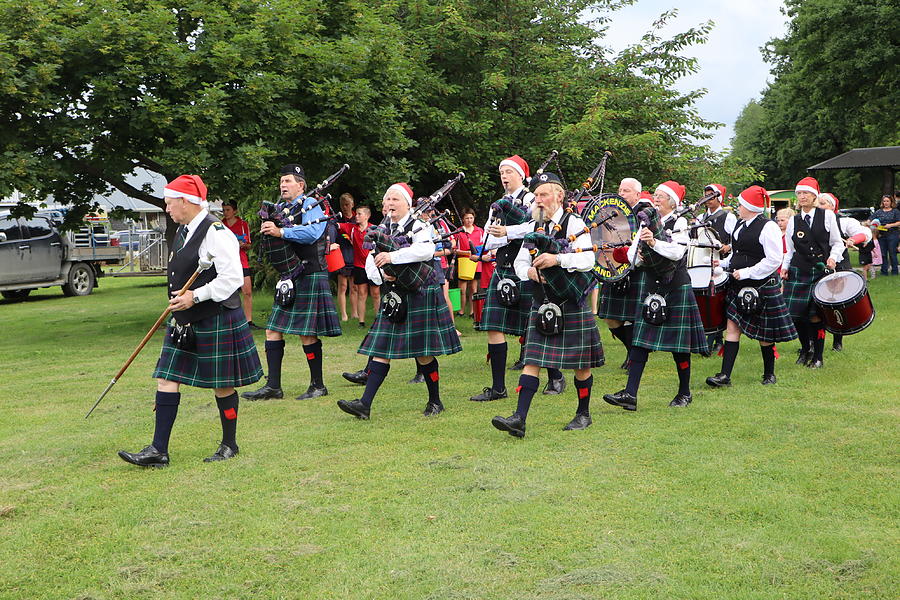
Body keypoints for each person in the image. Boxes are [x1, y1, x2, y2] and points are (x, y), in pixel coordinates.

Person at [118, 175, 262, 467]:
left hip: (215, 316)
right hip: (185, 320)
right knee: (166, 377)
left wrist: (195, 296)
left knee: (222, 384)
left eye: (170, 204)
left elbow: (232, 279)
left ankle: (229, 444)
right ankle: (158, 449)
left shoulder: (216, 232)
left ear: (185, 201)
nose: (167, 209)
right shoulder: (184, 231)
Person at [491, 173, 604, 437]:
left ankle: (583, 413)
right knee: (532, 360)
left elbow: (589, 260)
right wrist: (528, 273)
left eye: (544, 194)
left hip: (571, 301)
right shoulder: (535, 225)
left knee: (581, 364)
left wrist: (557, 260)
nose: (539, 200)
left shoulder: (575, 223)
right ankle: (519, 418)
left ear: (559, 196)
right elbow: (520, 261)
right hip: (542, 301)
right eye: (537, 195)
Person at [336, 183, 462, 420]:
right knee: (381, 349)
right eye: (387, 200)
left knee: (424, 354)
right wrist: (382, 275)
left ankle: (435, 401)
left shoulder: (419, 225)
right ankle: (364, 404)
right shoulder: (381, 229)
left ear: (407, 204)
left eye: (395, 199)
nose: (390, 204)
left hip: (420, 293)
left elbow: (425, 251)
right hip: (394, 293)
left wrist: (393, 256)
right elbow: (371, 260)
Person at [469, 155, 566, 402]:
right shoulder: (498, 204)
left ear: (521, 175)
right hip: (502, 267)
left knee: (537, 326)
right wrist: (492, 243)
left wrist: (508, 232)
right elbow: (490, 238)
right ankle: (498, 388)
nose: (504, 175)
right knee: (493, 326)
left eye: (509, 172)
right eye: (501, 171)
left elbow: (539, 225)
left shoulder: (533, 197)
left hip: (527, 266)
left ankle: (555, 376)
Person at [604, 183, 708, 411]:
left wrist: (653, 242)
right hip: (652, 283)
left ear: (672, 201)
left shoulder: (679, 222)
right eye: (655, 196)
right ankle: (630, 395)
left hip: (676, 286)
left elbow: (678, 251)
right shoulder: (646, 222)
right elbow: (634, 255)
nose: (656, 199)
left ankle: (684, 392)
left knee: (679, 346)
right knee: (640, 341)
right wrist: (635, 255)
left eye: (661, 196)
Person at [242, 163, 342, 401]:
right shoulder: (281, 209)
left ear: (301, 185)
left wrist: (281, 232)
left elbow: (313, 233)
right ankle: (273, 387)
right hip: (290, 276)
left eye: (287, 181)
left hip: (311, 273)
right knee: (272, 329)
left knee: (306, 333)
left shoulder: (310, 205)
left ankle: (317, 385)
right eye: (281, 181)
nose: (283, 185)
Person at [705, 186, 796, 388]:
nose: (737, 207)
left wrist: (747, 272)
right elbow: (738, 254)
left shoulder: (768, 227)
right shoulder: (740, 224)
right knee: (732, 327)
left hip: (761, 284)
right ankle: (724, 376)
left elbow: (773, 260)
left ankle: (769, 374)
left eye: (740, 204)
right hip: (738, 284)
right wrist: (724, 264)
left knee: (764, 334)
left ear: (750, 207)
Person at [781, 177, 845, 369]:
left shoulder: (827, 216)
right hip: (799, 271)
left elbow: (837, 242)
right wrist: (785, 267)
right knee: (796, 316)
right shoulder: (794, 220)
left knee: (816, 315)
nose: (802, 196)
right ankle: (805, 348)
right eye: (799, 193)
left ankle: (818, 357)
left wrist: (833, 258)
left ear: (814, 196)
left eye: (806, 193)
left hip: (820, 272)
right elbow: (790, 250)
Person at [596, 177, 654, 368]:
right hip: (613, 269)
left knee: (633, 317)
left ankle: (634, 359)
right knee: (610, 317)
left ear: (638, 194)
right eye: (620, 190)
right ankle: (632, 352)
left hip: (636, 271)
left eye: (626, 191)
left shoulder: (645, 212)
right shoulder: (613, 212)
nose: (621, 194)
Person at [816, 192, 872, 351]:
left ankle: (837, 341)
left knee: (837, 305)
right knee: (815, 307)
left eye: (823, 204)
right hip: (817, 266)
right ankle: (814, 342)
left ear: (832, 207)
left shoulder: (843, 222)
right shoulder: (811, 222)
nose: (819, 207)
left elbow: (865, 233)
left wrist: (855, 239)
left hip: (839, 266)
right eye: (818, 204)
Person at [697, 184, 735, 353]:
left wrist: (728, 247)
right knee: (708, 298)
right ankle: (711, 335)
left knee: (719, 299)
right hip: (705, 262)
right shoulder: (700, 216)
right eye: (706, 195)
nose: (708, 198)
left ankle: (718, 337)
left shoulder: (728, 217)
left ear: (719, 197)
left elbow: (736, 239)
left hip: (722, 262)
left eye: (711, 195)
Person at [340, 205, 380, 327]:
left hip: (373, 266)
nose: (356, 216)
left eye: (359, 214)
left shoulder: (374, 229)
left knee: (376, 293)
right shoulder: (352, 228)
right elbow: (337, 225)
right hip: (359, 266)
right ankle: (361, 322)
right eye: (356, 214)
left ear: (367, 216)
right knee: (361, 293)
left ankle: (378, 320)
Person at [221, 199, 258, 328]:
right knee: (226, 292)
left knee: (247, 291)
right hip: (226, 262)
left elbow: (248, 244)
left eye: (228, 210)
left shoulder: (243, 224)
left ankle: (249, 321)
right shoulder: (220, 225)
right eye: (224, 210)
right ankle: (229, 321)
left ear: (235, 211)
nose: (225, 213)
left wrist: (242, 245)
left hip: (241, 261)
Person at [456, 207, 483, 318]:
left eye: (471, 218)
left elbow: (483, 247)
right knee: (462, 289)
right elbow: (455, 249)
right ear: (463, 219)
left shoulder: (480, 231)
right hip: (464, 262)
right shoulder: (459, 231)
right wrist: (466, 253)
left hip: (476, 263)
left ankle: (472, 311)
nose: (469, 220)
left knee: (473, 288)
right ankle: (461, 310)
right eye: (467, 218)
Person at [335, 193, 359, 321]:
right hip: (342, 253)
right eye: (343, 205)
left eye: (347, 204)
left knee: (354, 286)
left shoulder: (358, 219)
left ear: (352, 204)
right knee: (343, 285)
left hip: (354, 254)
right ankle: (344, 314)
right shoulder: (338, 220)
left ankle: (355, 313)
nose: (345, 207)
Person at [872, 194, 900, 275]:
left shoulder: (895, 211)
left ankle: (894, 271)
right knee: (883, 254)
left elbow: (899, 222)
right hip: (881, 235)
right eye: (884, 201)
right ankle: (884, 271)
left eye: (887, 201)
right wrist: (873, 225)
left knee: (892, 253)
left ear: (891, 202)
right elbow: (871, 220)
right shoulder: (878, 212)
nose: (886, 203)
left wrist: (890, 225)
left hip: (893, 234)